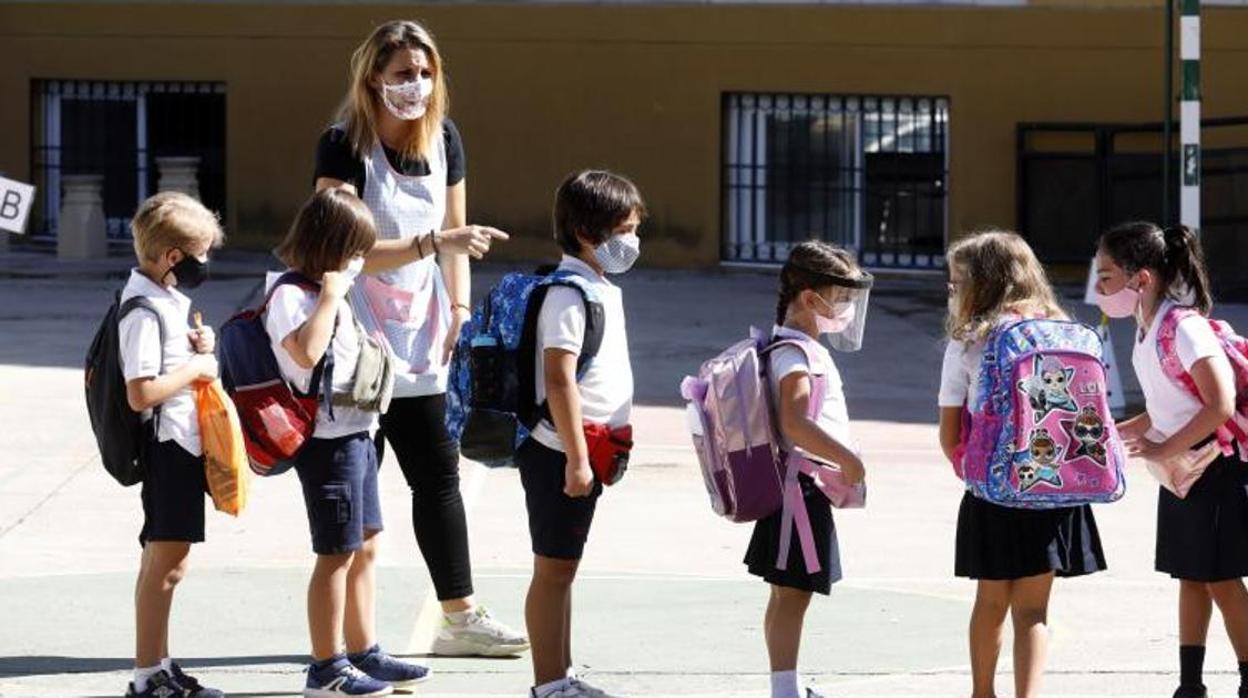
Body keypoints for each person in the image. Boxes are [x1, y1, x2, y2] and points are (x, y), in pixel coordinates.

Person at [313, 19, 525, 656]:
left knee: (437, 477)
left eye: (426, 72)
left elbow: (457, 234)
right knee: (356, 486)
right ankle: (349, 638)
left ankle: (459, 616)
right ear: (373, 77)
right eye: (403, 73)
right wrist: (431, 244)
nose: (417, 84)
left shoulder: (445, 138)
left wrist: (459, 307)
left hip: (421, 331)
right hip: (355, 338)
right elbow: (336, 246)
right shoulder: (342, 144)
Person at [267, 189, 428, 696]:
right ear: (330, 247)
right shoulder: (293, 294)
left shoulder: (324, 289)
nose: (361, 259)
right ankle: (325, 666)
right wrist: (334, 295)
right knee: (335, 553)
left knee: (367, 546)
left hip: (356, 435)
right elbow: (308, 354)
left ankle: (364, 650)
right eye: (354, 249)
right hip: (325, 444)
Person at [938, 230, 1107, 698]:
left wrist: (977, 471)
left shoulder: (970, 343)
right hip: (1056, 486)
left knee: (990, 601)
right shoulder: (1065, 331)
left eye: (956, 283)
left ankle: (982, 693)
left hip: (994, 492)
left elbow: (949, 435)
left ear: (982, 285)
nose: (951, 293)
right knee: (1034, 611)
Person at [1095, 221, 1248, 698]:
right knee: (1191, 578)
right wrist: (1126, 431)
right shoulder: (1147, 330)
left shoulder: (1185, 328)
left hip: (1218, 469)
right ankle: (1190, 683)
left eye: (1106, 277)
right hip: (1183, 475)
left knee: (1222, 580)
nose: (1099, 288)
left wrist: (1163, 447)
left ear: (1141, 279)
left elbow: (1219, 404)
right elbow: (1169, 403)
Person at [521, 171, 644, 698]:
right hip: (561, 453)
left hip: (589, 450)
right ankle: (548, 684)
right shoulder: (568, 296)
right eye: (623, 230)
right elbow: (558, 378)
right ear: (585, 231)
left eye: (635, 229)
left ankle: (561, 674)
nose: (631, 242)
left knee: (564, 569)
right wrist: (576, 459)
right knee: (553, 571)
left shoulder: (598, 288)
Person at [745, 241, 869, 698]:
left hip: (797, 488)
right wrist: (848, 460)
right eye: (840, 297)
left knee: (787, 591)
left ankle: (787, 683)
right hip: (800, 491)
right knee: (794, 592)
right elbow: (796, 423)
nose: (846, 308)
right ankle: (784, 690)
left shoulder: (798, 347)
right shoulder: (793, 355)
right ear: (807, 296)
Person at [120, 192, 226, 698]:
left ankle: (159, 665)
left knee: (168, 562)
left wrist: (193, 348)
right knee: (165, 564)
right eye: (201, 255)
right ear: (172, 259)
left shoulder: (163, 299)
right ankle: (147, 676)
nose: (205, 265)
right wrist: (195, 370)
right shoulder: (142, 309)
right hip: (167, 447)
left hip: (180, 443)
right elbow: (140, 392)